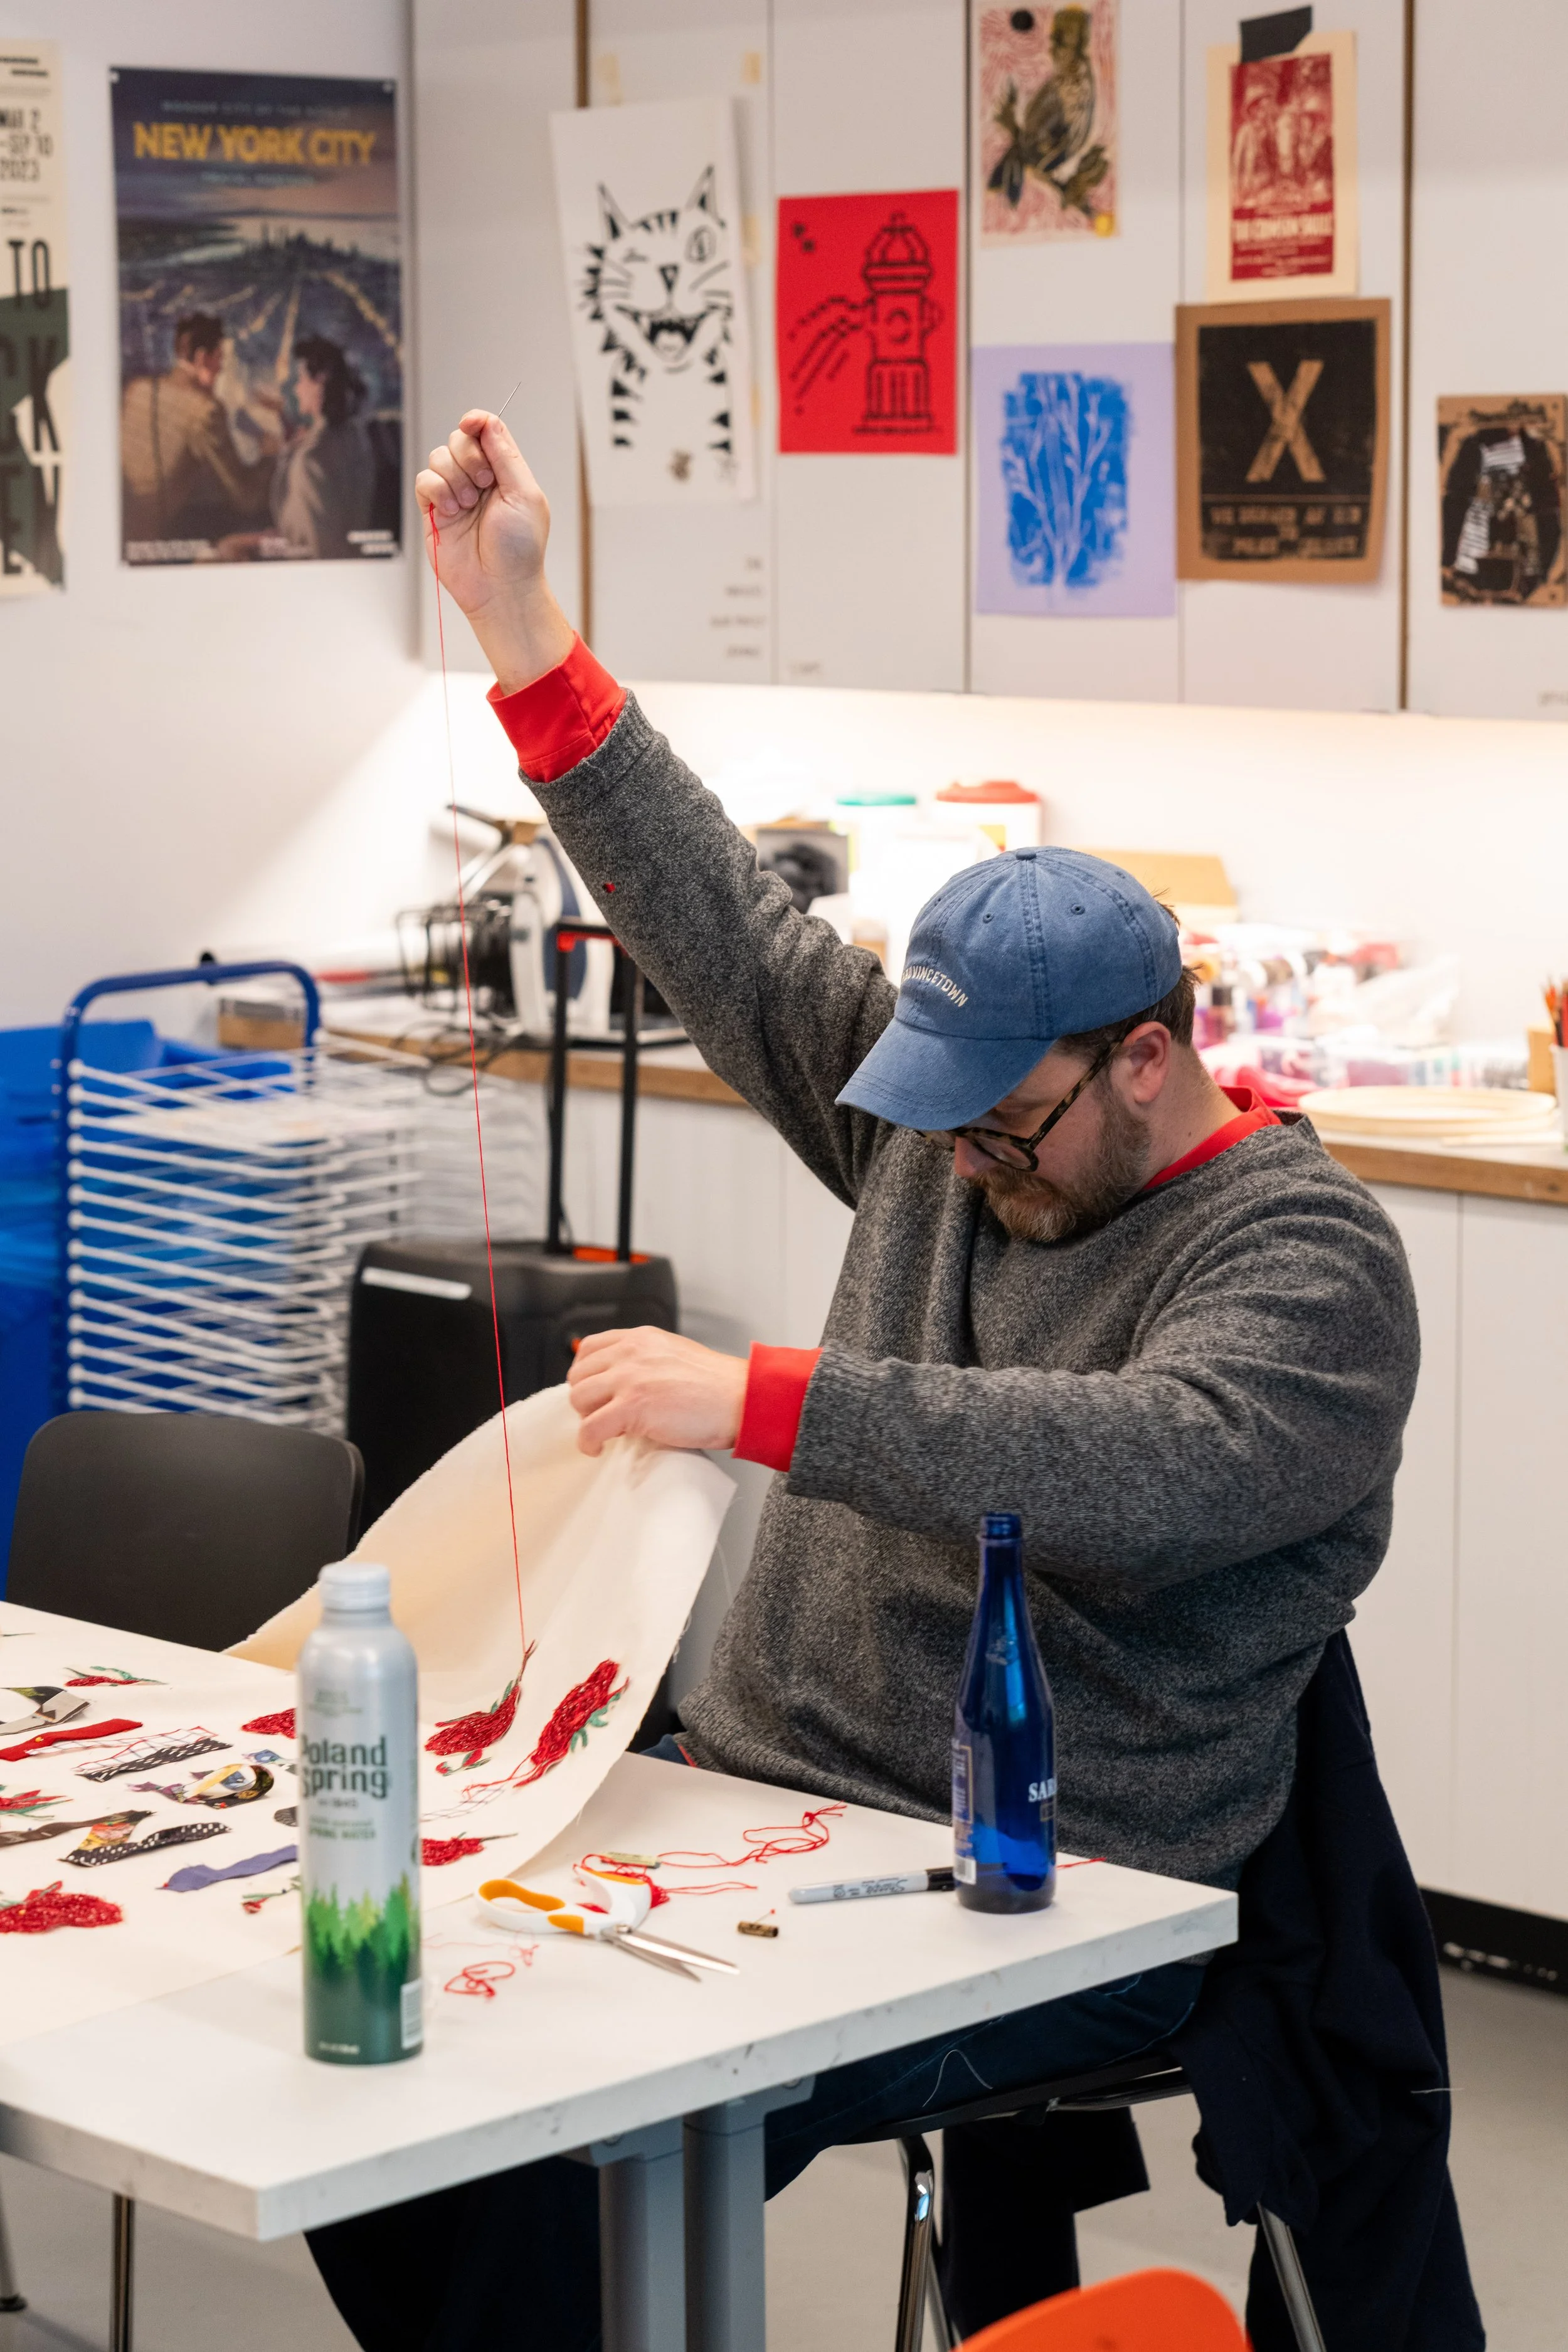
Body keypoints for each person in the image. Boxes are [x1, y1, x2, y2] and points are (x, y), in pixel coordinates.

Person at [305, 410, 1421, 2352]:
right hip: (752, 1794)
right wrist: (524, 629)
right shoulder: (954, 1121)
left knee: (557, 2146)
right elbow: (731, 936)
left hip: (1054, 1883)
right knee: (387, 2072)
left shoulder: (1307, 1267)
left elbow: (1140, 1467)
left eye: (1001, 1119)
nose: (954, 1160)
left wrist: (761, 1399)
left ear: (1148, 1058)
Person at [119, 312, 276, 554]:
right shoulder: (205, 411)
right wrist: (269, 455)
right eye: (219, 359)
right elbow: (247, 498)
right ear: (202, 358)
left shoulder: (137, 389)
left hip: (121, 534)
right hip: (154, 545)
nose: (222, 368)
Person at [269, 335, 376, 559]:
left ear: (320, 381)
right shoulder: (352, 436)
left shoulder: (312, 460)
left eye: (301, 379)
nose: (297, 389)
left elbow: (320, 547)